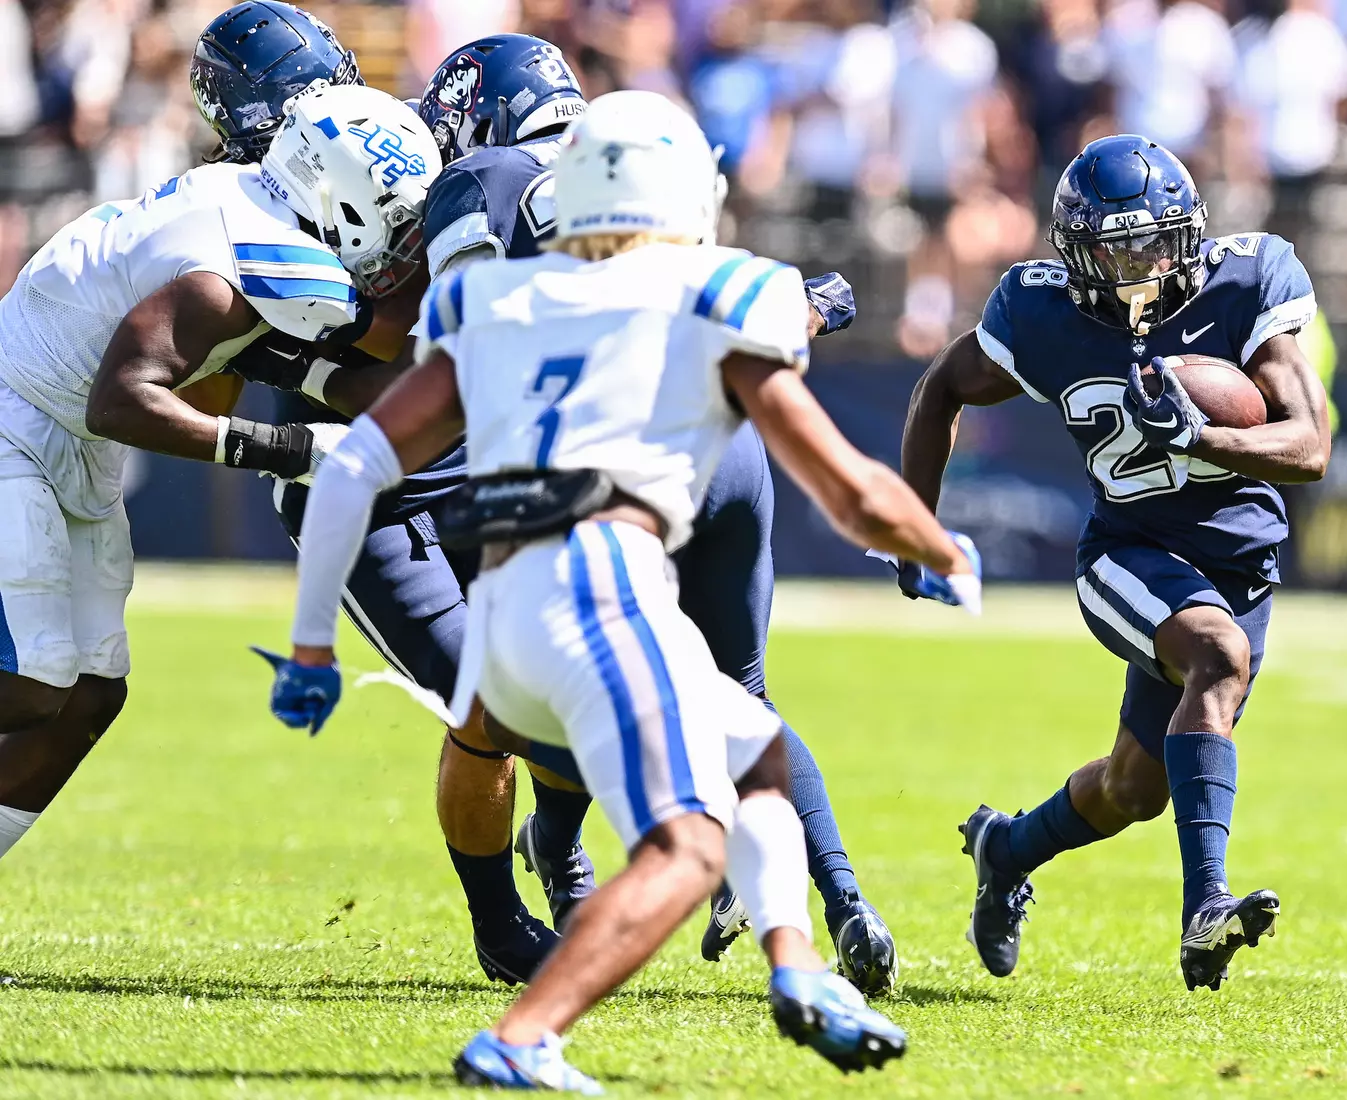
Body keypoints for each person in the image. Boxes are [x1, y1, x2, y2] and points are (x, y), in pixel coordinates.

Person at [262, 89, 981, 1089]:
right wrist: (944, 550)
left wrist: (309, 649)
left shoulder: (493, 300)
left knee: (756, 750)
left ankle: (798, 965)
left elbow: (347, 472)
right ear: (689, 194)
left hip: (501, 626)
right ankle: (522, 1035)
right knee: (689, 843)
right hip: (601, 587)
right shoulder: (711, 290)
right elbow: (851, 490)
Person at [415, 34, 899, 993]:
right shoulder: (639, 147)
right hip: (719, 451)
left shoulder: (477, 180)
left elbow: (464, 332)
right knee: (740, 694)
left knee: (557, 684)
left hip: (591, 471)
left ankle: (557, 867)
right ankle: (840, 902)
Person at [192, 4, 580, 986]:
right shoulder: (246, 205)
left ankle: (562, 856)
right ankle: (502, 921)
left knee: (553, 679)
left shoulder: (409, 148)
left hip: (473, 463)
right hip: (368, 497)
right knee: (485, 705)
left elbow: (422, 318)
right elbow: (217, 381)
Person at [897, 135, 1330, 991]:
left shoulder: (1249, 279)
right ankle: (1206, 907)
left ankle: (1006, 847)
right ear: (1075, 250)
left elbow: (1309, 444)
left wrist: (1201, 436)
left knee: (1134, 789)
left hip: (1238, 564)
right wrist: (915, 524)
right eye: (1118, 246)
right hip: (1129, 551)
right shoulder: (1042, 310)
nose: (1141, 262)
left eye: (1155, 239)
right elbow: (940, 384)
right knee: (1218, 658)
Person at [0, 83, 434, 864]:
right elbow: (122, 402)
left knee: (90, 695)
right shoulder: (237, 257)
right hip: (18, 422)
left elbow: (338, 376)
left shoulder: (261, 210)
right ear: (335, 193)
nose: (404, 245)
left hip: (66, 437)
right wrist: (292, 451)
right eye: (396, 220)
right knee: (35, 680)